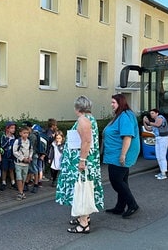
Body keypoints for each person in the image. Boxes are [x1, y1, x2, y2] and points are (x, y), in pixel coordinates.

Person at [57, 96, 104, 234]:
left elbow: (86, 142)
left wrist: (82, 160)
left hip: (82, 161)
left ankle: (83, 223)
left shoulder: (83, 120)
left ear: (77, 107)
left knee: (81, 189)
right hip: (87, 160)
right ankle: (84, 218)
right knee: (85, 187)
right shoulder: (90, 118)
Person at [103, 94, 141, 219]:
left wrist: (123, 155)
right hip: (115, 153)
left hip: (119, 154)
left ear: (120, 103)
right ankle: (120, 207)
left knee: (116, 181)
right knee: (122, 181)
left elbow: (127, 136)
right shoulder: (122, 115)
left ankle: (132, 204)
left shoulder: (124, 116)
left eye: (113, 102)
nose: (111, 104)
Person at [143, 109, 168, 180]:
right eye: (150, 113)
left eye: (152, 113)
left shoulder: (160, 118)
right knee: (158, 156)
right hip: (158, 139)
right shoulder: (154, 122)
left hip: (163, 138)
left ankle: (164, 174)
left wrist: (148, 122)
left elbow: (158, 125)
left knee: (162, 155)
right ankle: (162, 171)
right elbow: (148, 129)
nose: (151, 115)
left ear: (157, 113)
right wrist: (144, 122)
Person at [13, 126, 33, 201]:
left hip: (26, 163)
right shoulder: (17, 141)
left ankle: (21, 191)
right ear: (20, 133)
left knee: (24, 178)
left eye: (27, 133)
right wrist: (22, 158)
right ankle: (20, 192)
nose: (26, 135)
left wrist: (30, 157)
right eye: (24, 133)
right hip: (19, 163)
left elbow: (31, 150)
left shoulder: (29, 142)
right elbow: (15, 151)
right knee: (19, 177)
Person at [0, 121, 17, 191]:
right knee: (4, 169)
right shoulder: (3, 136)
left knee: (11, 169)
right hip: (5, 155)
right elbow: (2, 145)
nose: (13, 130)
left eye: (14, 128)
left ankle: (13, 182)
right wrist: (7, 139)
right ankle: (3, 182)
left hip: (12, 155)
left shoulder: (14, 137)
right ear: (7, 129)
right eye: (12, 128)